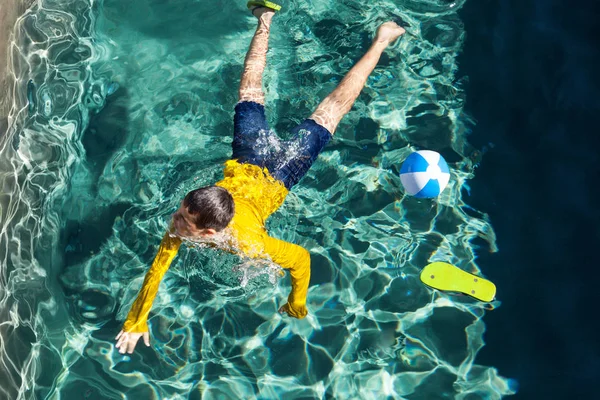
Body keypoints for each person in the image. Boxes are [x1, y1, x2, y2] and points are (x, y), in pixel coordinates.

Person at [115, 2, 405, 354]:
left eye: (181, 219)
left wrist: (298, 301)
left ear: (208, 232)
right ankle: (264, 15)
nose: (173, 222)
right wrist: (136, 320)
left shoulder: (250, 243)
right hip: (248, 159)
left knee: (332, 109)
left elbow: (300, 259)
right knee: (249, 88)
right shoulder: (191, 222)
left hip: (282, 173)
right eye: (179, 212)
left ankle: (382, 39)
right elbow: (157, 270)